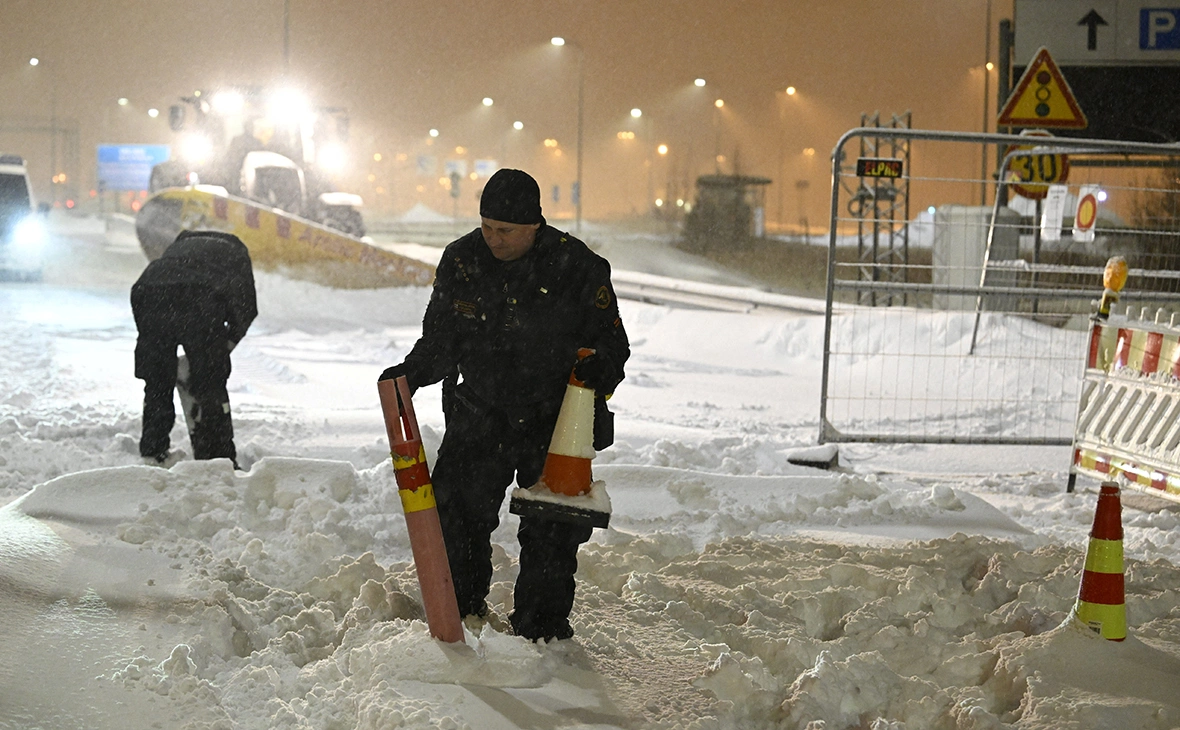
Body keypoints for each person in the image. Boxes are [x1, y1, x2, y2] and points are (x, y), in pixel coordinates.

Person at [379, 168, 630, 642]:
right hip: (480, 413)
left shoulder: (576, 267)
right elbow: (441, 339)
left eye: (506, 231)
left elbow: (613, 345)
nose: (493, 239)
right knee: (457, 515)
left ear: (534, 225)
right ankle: (459, 613)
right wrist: (410, 374)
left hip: (552, 423)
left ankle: (542, 631)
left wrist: (600, 369)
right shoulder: (462, 260)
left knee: (550, 530)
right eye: (487, 227)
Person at [131, 230, 257, 468]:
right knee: (210, 382)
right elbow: (246, 307)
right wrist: (222, 348)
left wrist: (155, 346)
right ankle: (218, 457)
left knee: (158, 379)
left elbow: (160, 290)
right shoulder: (237, 253)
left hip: (148, 289)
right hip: (198, 296)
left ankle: (153, 448)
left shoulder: (178, 248)